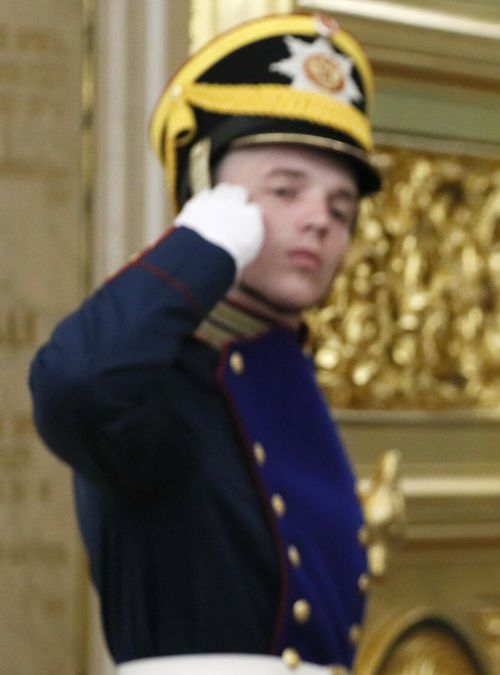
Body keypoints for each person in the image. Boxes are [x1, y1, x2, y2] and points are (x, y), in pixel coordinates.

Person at [29, 12, 382, 675]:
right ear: (207, 201)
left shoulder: (284, 373)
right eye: (285, 189)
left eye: (341, 208)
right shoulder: (159, 386)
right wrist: (201, 250)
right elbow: (73, 384)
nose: (319, 218)